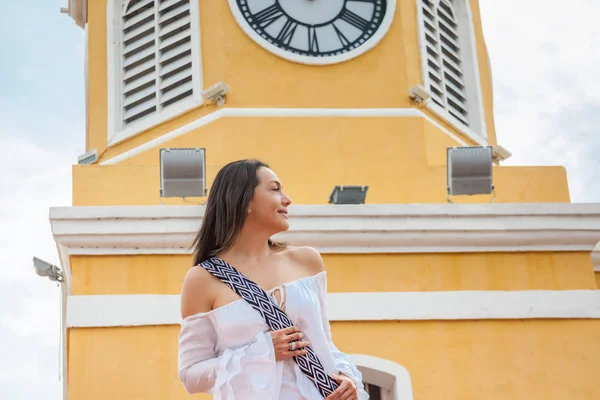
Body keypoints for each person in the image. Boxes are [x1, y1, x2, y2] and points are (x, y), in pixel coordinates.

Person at [178, 159, 369, 399]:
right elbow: (190, 374)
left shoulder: (306, 260)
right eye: (275, 189)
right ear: (245, 200)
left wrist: (346, 377)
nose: (287, 199)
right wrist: (264, 352)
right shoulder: (203, 280)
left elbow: (324, 343)